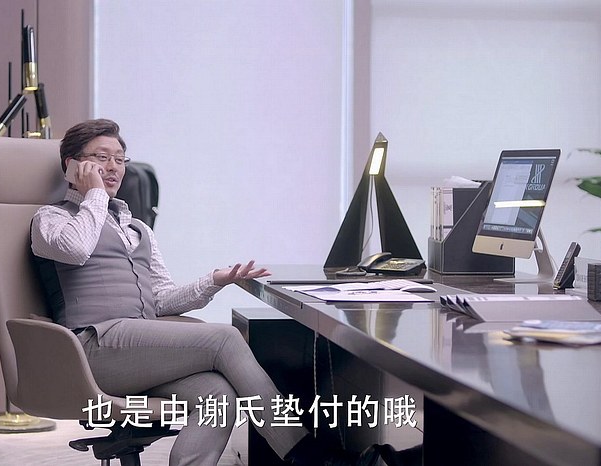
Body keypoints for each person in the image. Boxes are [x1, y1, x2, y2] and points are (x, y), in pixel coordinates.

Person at [30, 119, 393, 466]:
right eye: (101, 158)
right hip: (91, 351)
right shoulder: (50, 219)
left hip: (135, 351)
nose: (113, 168)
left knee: (218, 395)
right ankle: (308, 457)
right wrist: (94, 195)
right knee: (225, 339)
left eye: (120, 159)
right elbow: (76, 249)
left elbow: (161, 300)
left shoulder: (138, 229)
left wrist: (214, 281)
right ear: (72, 165)